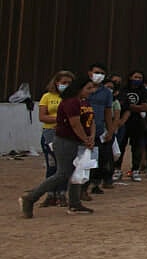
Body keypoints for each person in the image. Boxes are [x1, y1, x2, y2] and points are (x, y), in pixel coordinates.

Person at [20, 75, 97, 217]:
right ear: (79, 88)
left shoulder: (84, 102)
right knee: (63, 173)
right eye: (88, 88)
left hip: (80, 141)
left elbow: (91, 120)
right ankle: (30, 197)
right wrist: (86, 139)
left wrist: (91, 136)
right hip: (66, 141)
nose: (91, 91)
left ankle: (75, 204)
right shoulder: (71, 102)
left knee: (77, 173)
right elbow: (75, 124)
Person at [38, 70, 75, 207]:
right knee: (52, 165)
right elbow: (42, 116)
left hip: (66, 134)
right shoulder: (47, 97)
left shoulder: (73, 99)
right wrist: (60, 119)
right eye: (64, 82)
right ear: (56, 82)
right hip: (50, 133)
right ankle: (50, 195)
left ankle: (62, 194)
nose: (66, 85)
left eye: (69, 83)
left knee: (64, 166)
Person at [86, 64, 116, 195]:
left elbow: (108, 112)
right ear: (90, 73)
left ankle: (95, 183)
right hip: (82, 129)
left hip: (98, 130)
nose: (99, 75)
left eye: (102, 73)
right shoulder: (83, 89)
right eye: (96, 72)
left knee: (98, 159)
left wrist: (110, 130)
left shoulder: (106, 93)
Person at [116, 70, 147, 183]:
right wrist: (136, 107)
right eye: (135, 77)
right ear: (130, 77)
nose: (137, 79)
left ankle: (135, 170)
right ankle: (117, 169)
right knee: (121, 146)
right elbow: (121, 104)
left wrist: (129, 106)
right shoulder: (124, 90)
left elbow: (145, 107)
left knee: (136, 147)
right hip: (123, 122)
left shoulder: (144, 91)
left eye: (140, 77)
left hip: (138, 122)